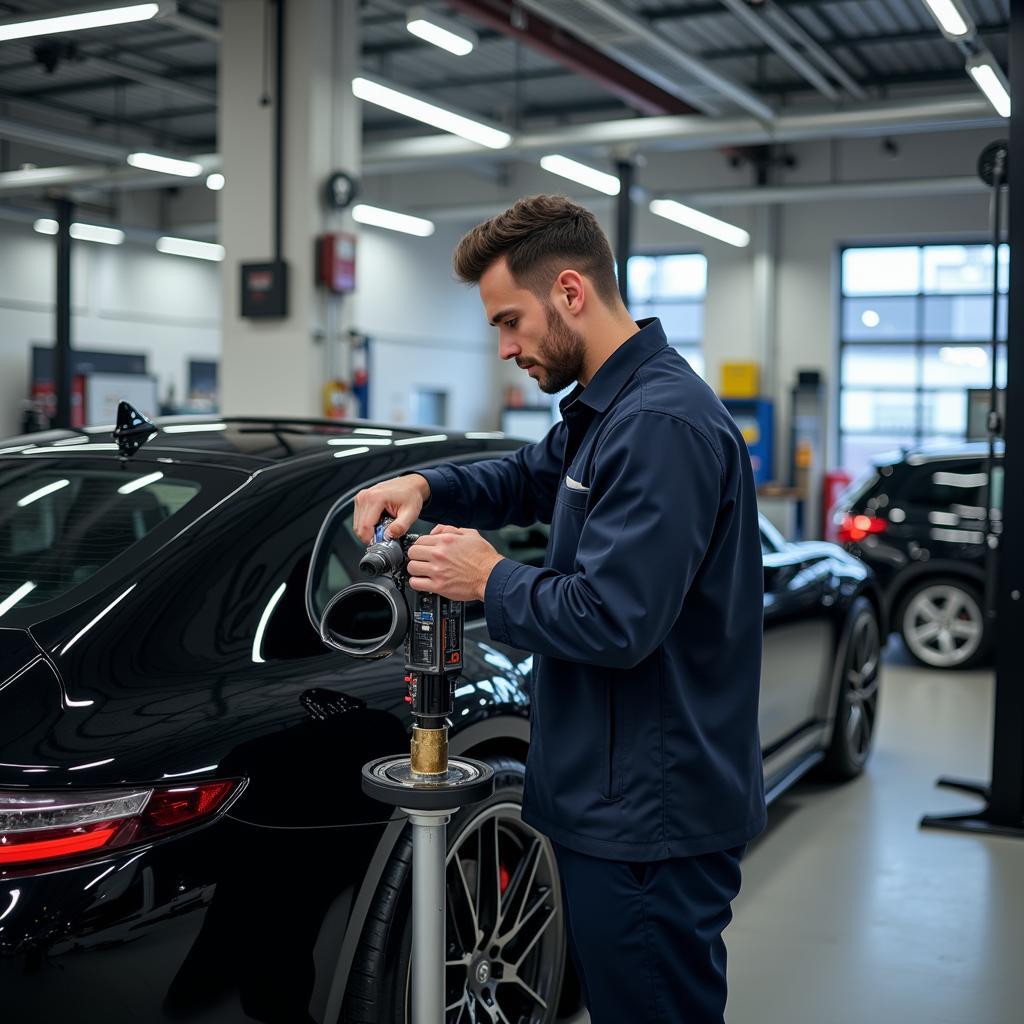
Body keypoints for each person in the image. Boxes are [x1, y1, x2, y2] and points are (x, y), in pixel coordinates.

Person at [353, 194, 766, 1024]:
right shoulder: (607, 408)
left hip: (650, 816)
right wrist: (429, 484)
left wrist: (490, 577)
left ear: (570, 292)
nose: (505, 349)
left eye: (511, 321)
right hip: (618, 798)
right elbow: (528, 476)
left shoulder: (659, 423)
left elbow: (617, 619)